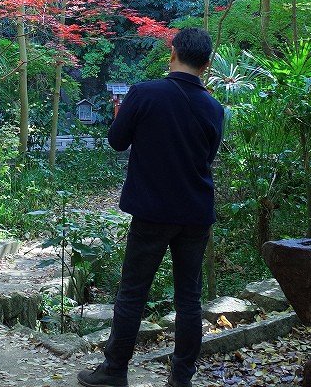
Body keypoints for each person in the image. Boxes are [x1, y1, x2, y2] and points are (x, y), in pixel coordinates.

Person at [78, 27, 225, 387]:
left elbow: (116, 142)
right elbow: (208, 156)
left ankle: (114, 371)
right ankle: (181, 378)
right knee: (189, 298)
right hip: (195, 214)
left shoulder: (145, 93)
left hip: (152, 211)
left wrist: (123, 116)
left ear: (172, 53)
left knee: (133, 292)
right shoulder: (215, 108)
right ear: (206, 64)